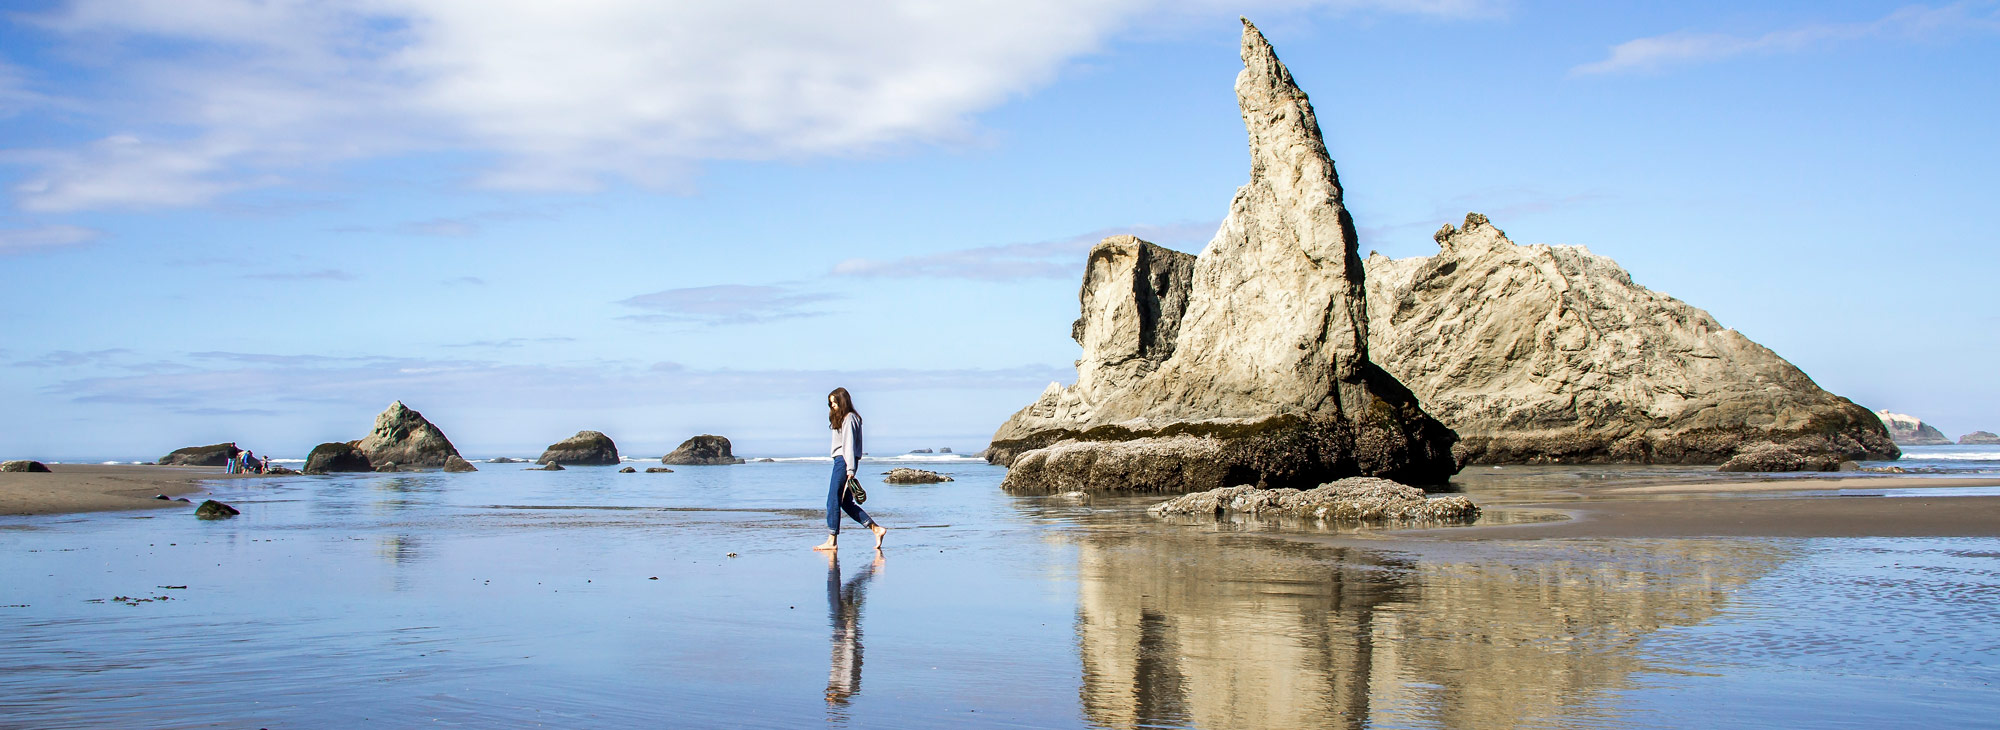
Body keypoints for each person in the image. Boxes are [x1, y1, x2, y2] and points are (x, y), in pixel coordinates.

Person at [813, 387, 886, 551]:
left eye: (835, 403)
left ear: (842, 401)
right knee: (845, 503)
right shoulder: (844, 418)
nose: (833, 407)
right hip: (842, 461)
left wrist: (850, 470)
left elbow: (848, 446)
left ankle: (831, 541)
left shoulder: (849, 418)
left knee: (832, 500)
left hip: (844, 462)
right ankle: (876, 529)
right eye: (830, 404)